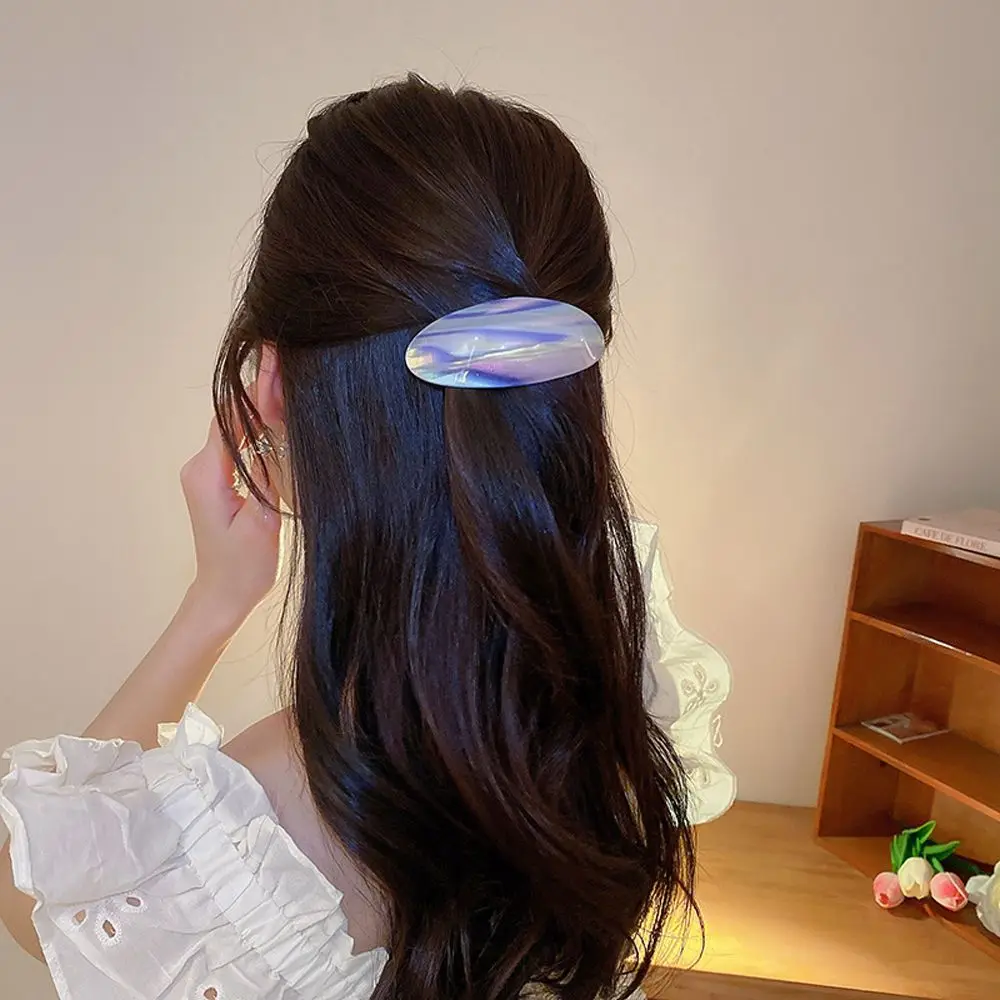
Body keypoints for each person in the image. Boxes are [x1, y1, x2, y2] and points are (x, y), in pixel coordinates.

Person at [0, 75, 696, 1000]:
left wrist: (213, 601)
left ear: (269, 384)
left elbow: (33, 893)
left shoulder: (263, 828)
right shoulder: (610, 688)